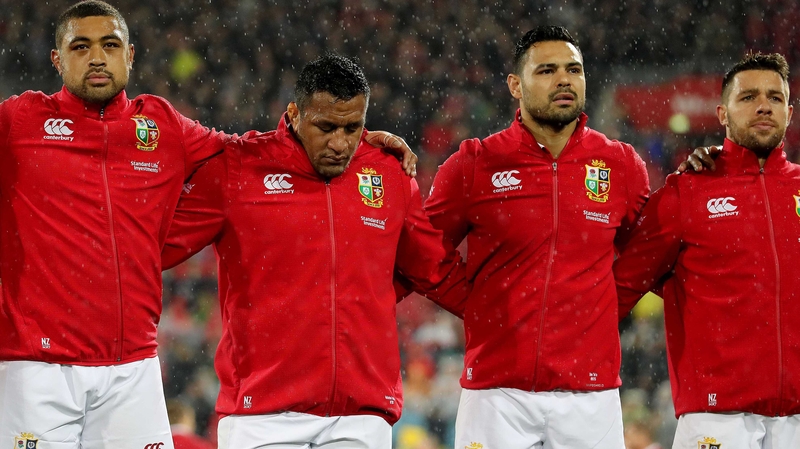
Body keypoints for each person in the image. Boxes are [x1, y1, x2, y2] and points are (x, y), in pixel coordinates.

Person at [0, 2, 414, 447]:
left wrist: (358, 144)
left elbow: (247, 154)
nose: (97, 57)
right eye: (81, 46)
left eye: (110, 45)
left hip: (132, 366)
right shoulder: (18, 121)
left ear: (131, 55)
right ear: (57, 60)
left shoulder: (160, 124)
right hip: (37, 364)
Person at [161, 53, 467, 449]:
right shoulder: (240, 169)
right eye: (326, 127)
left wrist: (515, 315)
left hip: (361, 414)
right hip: (263, 416)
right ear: (294, 113)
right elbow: (150, 248)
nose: (339, 143)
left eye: (352, 127)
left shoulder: (389, 174)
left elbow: (435, 270)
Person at [424, 25, 650, 448]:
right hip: (496, 392)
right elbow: (422, 248)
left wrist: (606, 303)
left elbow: (652, 252)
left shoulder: (620, 165)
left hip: (591, 393)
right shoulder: (475, 163)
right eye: (546, 70)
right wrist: (473, 303)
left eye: (574, 69)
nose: (564, 79)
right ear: (515, 84)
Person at [613, 52, 800, 449]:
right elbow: (619, 286)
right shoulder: (688, 192)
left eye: (775, 97)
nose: (763, 105)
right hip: (716, 419)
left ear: (789, 111)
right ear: (722, 113)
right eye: (748, 97)